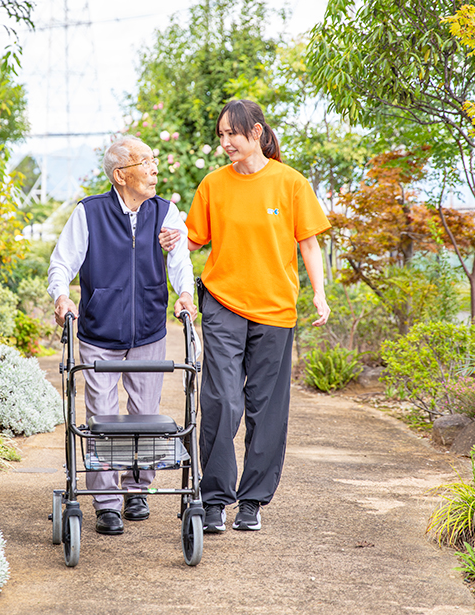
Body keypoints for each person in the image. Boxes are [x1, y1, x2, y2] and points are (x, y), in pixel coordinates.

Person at [161, 99, 330, 534]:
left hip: (276, 309)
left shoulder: (290, 183)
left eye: (231, 134)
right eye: (220, 136)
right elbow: (194, 239)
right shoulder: (213, 185)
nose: (225, 143)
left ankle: (252, 501)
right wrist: (172, 237)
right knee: (221, 400)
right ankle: (215, 499)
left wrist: (320, 296)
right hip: (223, 302)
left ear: (255, 133)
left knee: (266, 408)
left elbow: (309, 244)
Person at [48, 135, 197, 536]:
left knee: (146, 416)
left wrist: (185, 293)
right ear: (120, 175)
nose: (154, 169)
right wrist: (62, 297)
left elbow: (181, 262)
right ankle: (107, 503)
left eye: (153, 160)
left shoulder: (165, 213)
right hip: (99, 333)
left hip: (148, 329)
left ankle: (137, 489)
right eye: (145, 162)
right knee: (102, 419)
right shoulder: (89, 213)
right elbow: (62, 263)